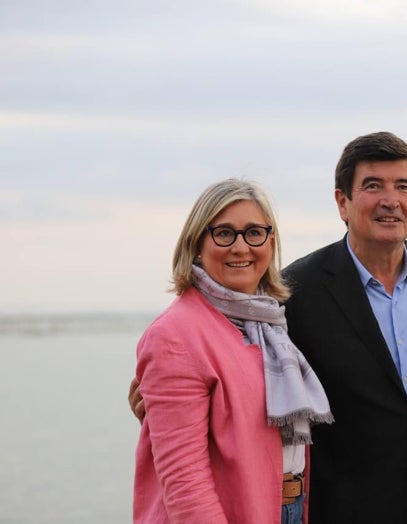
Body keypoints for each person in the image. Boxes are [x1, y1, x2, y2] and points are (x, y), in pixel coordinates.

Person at [130, 132, 407, 523]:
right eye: (373, 186)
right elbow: (231, 373)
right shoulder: (297, 292)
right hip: (336, 511)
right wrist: (159, 399)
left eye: (403, 186)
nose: (390, 199)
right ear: (342, 202)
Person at [132, 178, 332, 524]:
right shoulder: (175, 335)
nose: (241, 247)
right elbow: (184, 482)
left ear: (271, 242)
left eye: (254, 232)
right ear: (197, 243)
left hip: (287, 508)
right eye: (224, 233)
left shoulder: (271, 326)